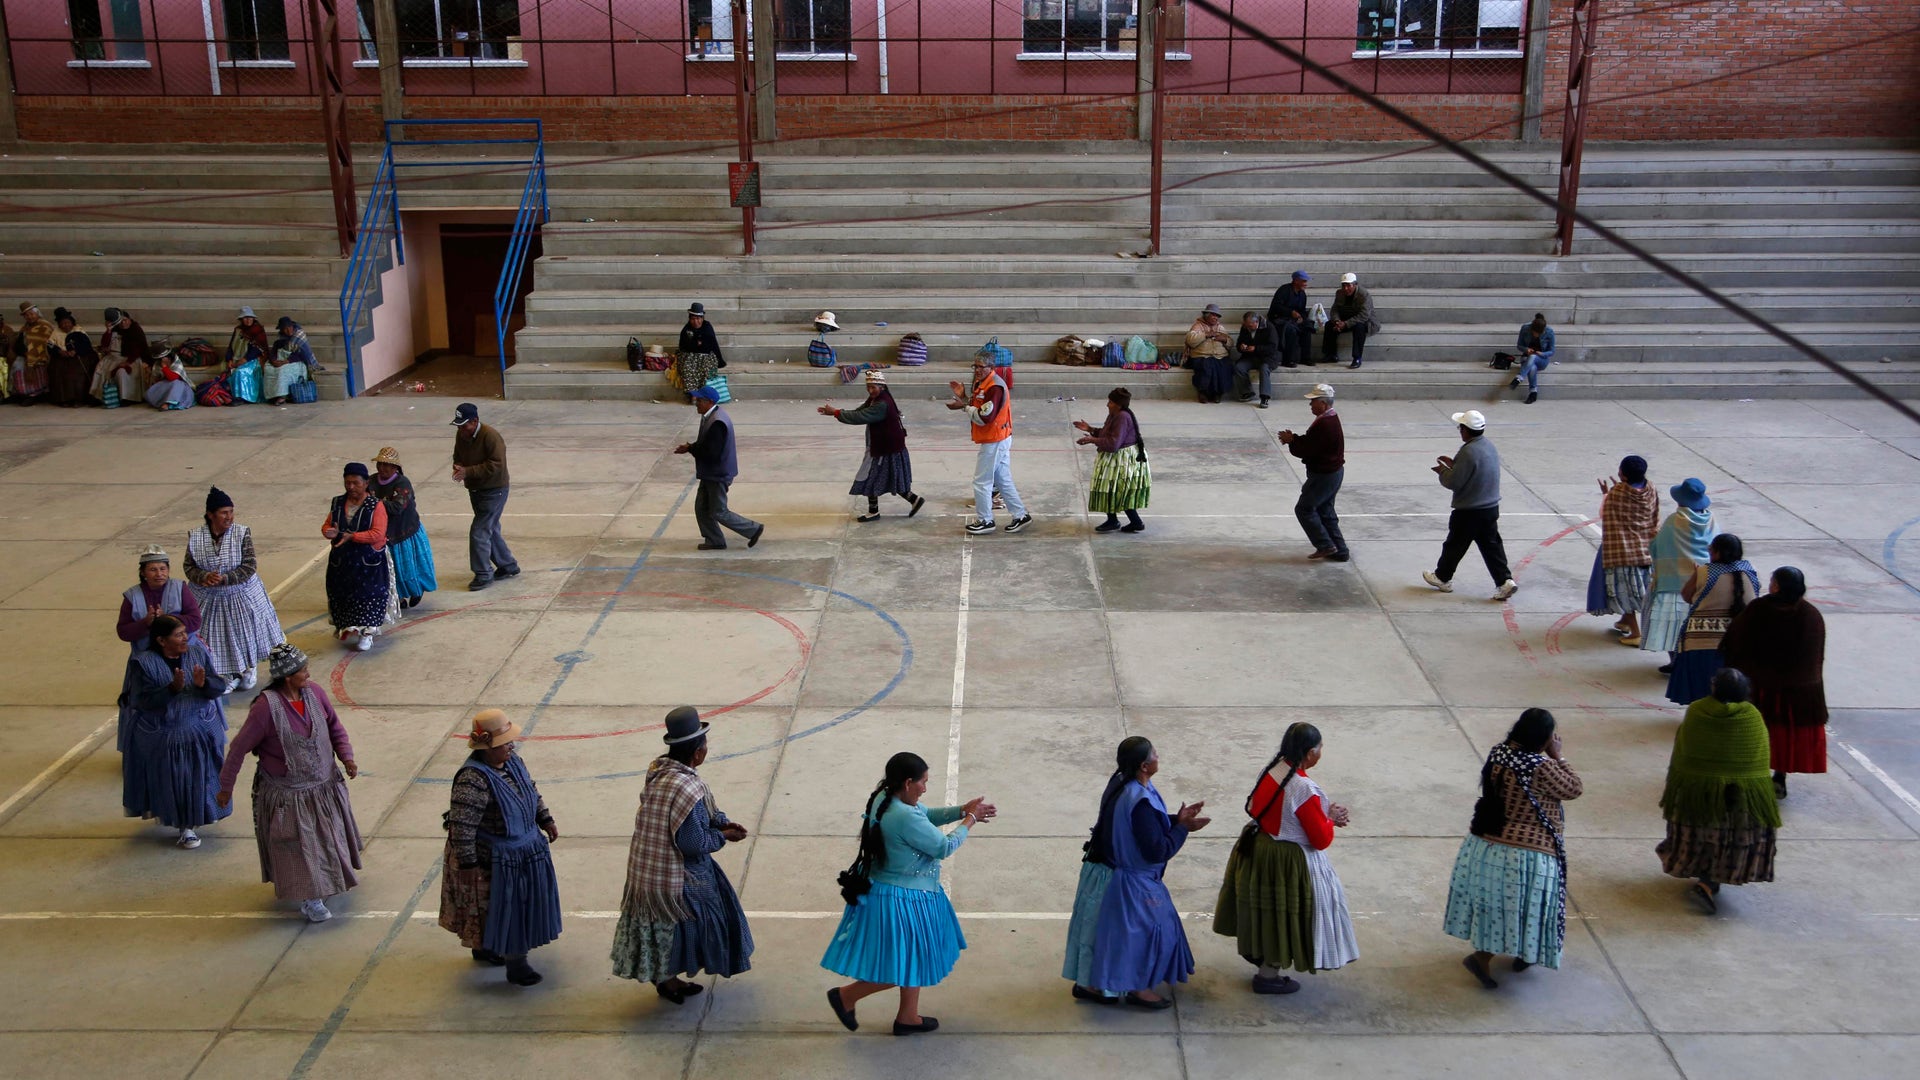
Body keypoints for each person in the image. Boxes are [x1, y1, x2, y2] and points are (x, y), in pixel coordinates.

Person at [823, 752, 996, 1036]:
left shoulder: (885, 797)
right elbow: (943, 847)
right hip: (902, 898)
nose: (925, 788)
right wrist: (970, 820)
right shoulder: (902, 816)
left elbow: (925, 814)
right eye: (923, 782)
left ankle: (908, 1017)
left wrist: (961, 809)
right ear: (907, 782)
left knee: (910, 952)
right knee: (909, 959)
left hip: (888, 890)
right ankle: (846, 996)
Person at [611, 707, 755, 1003]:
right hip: (678, 876)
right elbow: (692, 842)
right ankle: (669, 978)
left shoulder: (660, 771)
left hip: (649, 867)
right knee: (692, 925)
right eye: (704, 744)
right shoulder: (687, 786)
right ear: (698, 753)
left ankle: (667, 978)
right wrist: (723, 835)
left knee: (663, 931)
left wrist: (720, 820)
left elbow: (699, 813)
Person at [216, 643, 363, 923]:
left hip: (323, 786)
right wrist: (225, 787)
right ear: (287, 677)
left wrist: (347, 757)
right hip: (290, 796)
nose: (308, 674)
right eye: (303, 670)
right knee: (301, 847)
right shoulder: (265, 709)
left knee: (327, 839)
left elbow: (335, 728)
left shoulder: (315, 694)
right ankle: (311, 899)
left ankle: (327, 880)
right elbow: (238, 748)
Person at [1063, 737, 1209, 1009]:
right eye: (1154, 754)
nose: (1158, 756)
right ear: (1144, 765)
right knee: (1150, 932)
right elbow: (1156, 850)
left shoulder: (1121, 782)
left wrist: (1174, 820)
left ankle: (1091, 984)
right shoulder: (1139, 799)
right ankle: (1139, 989)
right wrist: (1182, 829)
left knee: (1099, 934)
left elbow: (1142, 825)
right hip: (1128, 881)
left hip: (1103, 871)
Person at [1214, 722, 1358, 994]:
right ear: (1309, 753)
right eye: (1319, 748)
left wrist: (1323, 811)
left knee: (1265, 913)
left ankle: (1263, 964)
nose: (1321, 752)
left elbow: (1268, 808)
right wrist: (1329, 819)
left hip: (1259, 846)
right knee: (1284, 916)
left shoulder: (1273, 769)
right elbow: (1320, 839)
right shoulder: (1304, 788)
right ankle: (1268, 977)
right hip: (1286, 860)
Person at [1444, 709, 1581, 989]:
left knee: (1498, 908)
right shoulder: (1542, 767)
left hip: (1487, 842)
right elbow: (1574, 788)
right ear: (1543, 738)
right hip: (1527, 851)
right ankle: (1519, 953)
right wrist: (1558, 755)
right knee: (1531, 907)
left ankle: (1492, 955)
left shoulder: (1499, 753)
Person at [440, 709, 563, 986]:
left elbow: (530, 792)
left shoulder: (513, 762)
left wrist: (545, 818)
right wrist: (469, 864)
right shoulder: (472, 780)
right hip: (494, 860)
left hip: (523, 850)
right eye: (506, 742)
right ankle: (517, 965)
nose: (512, 745)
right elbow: (462, 827)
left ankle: (485, 948)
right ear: (489, 747)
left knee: (494, 911)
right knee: (510, 910)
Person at [1657, 667, 1780, 913]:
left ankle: (1706, 880)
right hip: (1741, 797)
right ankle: (1710, 882)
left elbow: (1683, 749)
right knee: (1727, 838)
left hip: (1698, 794)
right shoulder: (1752, 717)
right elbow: (1760, 760)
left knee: (1702, 835)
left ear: (1714, 687)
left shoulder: (1697, 711)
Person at [120, 614, 231, 849]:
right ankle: (185, 826)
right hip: (165, 734)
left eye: (184, 632)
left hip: (199, 730)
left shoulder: (197, 653)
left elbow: (219, 685)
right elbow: (141, 701)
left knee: (202, 778)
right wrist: (171, 689)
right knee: (176, 781)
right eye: (178, 634)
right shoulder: (143, 663)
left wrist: (204, 685)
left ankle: (195, 817)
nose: (185, 638)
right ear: (161, 640)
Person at [1721, 567, 1827, 800]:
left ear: (1776, 586)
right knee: (1785, 735)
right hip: (1799, 691)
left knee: (1755, 733)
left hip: (1761, 688)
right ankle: (1780, 777)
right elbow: (1815, 656)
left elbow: (1734, 641)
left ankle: (1748, 776)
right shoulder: (1811, 615)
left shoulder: (1759, 610)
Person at [185, 486, 284, 691]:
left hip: (241, 594)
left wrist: (224, 579)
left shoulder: (241, 533)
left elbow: (249, 565)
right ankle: (229, 673)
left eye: (231, 512)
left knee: (245, 633)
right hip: (208, 597)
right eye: (224, 512)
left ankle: (248, 668)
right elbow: (189, 566)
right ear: (210, 515)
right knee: (215, 638)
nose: (229, 517)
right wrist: (204, 577)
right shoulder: (195, 537)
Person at [117, 544, 205, 752]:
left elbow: (195, 620)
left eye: (163, 569)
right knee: (145, 704)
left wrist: (169, 620)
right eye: (153, 569)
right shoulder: (132, 597)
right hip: (146, 661)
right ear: (143, 572)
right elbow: (123, 631)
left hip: (182, 657)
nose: (159, 574)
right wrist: (145, 623)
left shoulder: (180, 588)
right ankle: (142, 748)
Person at [1423, 410, 1518, 600]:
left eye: (1461, 427)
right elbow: (1474, 469)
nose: (1460, 431)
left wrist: (1443, 471)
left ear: (1466, 430)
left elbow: (1454, 482)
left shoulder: (1468, 451)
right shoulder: (1487, 446)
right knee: (1491, 546)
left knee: (1454, 544)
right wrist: (1455, 464)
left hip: (1470, 510)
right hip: (1490, 508)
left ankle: (1442, 577)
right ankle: (1505, 581)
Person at [818, 369, 926, 522]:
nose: (870, 390)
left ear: (881, 386)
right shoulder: (876, 399)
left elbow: (860, 416)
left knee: (870, 477)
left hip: (885, 448)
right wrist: (836, 413)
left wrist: (836, 412)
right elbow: (859, 412)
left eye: (873, 387)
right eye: (868, 387)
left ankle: (876, 510)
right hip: (885, 446)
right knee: (889, 477)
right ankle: (912, 500)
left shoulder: (882, 404)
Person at [1666, 534, 1759, 706]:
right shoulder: (1750, 569)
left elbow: (1687, 596)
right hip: (1739, 638)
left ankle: (1703, 712)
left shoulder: (1705, 571)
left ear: (1716, 553)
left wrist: (1696, 575)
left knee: (1703, 684)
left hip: (1702, 640)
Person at [948, 354, 1033, 535]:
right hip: (997, 437)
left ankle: (985, 520)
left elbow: (984, 417)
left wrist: (963, 406)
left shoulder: (995, 387)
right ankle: (1021, 515)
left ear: (990, 367)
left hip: (995, 439)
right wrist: (964, 398)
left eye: (981, 367)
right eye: (975, 366)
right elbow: (979, 406)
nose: (977, 370)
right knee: (1003, 480)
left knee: (981, 482)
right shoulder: (983, 383)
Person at [675, 384, 766, 551]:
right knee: (702, 508)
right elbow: (707, 445)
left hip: (717, 474)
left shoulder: (717, 422)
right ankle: (714, 540)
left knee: (718, 511)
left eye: (699, 400)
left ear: (709, 402)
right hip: (711, 473)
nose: (696, 402)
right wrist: (691, 447)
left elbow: (711, 452)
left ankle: (753, 529)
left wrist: (691, 449)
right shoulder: (712, 417)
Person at [1642, 477, 1717, 671]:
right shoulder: (1711, 521)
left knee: (1673, 627)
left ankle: (1676, 662)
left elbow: (1657, 547)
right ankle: (1688, 662)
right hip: (1702, 581)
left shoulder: (1675, 521)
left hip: (1674, 582)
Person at [323, 462, 398, 653]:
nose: (351, 487)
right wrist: (329, 532)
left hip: (368, 562)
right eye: (347, 483)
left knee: (368, 596)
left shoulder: (376, 506)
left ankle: (367, 634)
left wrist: (353, 536)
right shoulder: (338, 503)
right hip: (343, 562)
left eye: (355, 483)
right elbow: (327, 525)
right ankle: (349, 627)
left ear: (366, 483)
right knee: (343, 595)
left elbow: (378, 534)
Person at [1585, 455, 1660, 645]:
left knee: (1626, 591)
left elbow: (1605, 514)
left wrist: (1606, 494)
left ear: (1623, 475)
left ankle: (1636, 633)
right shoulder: (1651, 489)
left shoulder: (1618, 493)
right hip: (1645, 549)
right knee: (1640, 590)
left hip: (1623, 551)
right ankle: (1626, 621)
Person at [451, 402, 521, 591]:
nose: (461, 429)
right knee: (490, 528)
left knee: (479, 531)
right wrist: (458, 466)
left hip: (494, 490)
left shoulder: (491, 436)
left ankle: (483, 573)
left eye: (464, 425)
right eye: (459, 425)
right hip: (476, 490)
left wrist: (468, 471)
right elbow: (458, 454)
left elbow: (496, 465)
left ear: (475, 421)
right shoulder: (462, 434)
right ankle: (508, 565)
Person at [1279, 383, 1348, 561]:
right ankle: (1340, 551)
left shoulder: (1325, 424)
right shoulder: (1329, 418)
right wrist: (1295, 438)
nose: (1310, 405)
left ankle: (1325, 545)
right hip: (1333, 473)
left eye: (1313, 402)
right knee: (1325, 511)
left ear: (1323, 404)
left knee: (1304, 509)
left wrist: (1291, 441)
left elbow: (1308, 449)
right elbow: (1313, 443)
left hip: (1324, 476)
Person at [1075, 387, 1151, 533]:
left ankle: (1130, 521)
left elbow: (1113, 444)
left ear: (1118, 404)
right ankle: (1118, 520)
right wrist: (1091, 429)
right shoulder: (1114, 414)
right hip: (1118, 459)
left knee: (1118, 489)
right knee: (1112, 488)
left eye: (1110, 402)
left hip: (1123, 460)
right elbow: (1107, 434)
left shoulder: (1122, 417)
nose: (1107, 404)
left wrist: (1092, 440)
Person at [372, 447, 437, 610]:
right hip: (385, 533)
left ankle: (416, 590)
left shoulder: (402, 483)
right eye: (380, 464)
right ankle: (398, 597)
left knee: (410, 566)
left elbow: (397, 507)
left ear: (395, 468)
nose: (382, 468)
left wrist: (375, 502)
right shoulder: (371, 481)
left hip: (405, 531)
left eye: (387, 465)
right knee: (391, 568)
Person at [93, 307, 153, 405]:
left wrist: (127, 363)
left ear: (129, 320)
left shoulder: (135, 329)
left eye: (125, 320)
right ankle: (101, 396)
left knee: (121, 373)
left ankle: (125, 397)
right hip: (113, 358)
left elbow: (137, 349)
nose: (123, 323)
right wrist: (108, 331)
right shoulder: (114, 329)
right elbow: (104, 344)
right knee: (100, 368)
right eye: (121, 321)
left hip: (131, 359)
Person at [1321, 272, 1379, 369]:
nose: (1346, 289)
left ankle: (1357, 358)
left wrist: (1346, 324)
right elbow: (1334, 310)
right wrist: (1337, 321)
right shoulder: (1339, 293)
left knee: (1359, 328)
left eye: (1348, 286)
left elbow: (1364, 315)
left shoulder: (1364, 295)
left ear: (1355, 285)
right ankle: (1330, 354)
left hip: (1362, 321)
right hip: (1345, 319)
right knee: (1329, 325)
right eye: (1344, 286)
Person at [46, 307, 98, 407]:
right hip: (62, 357)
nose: (65, 325)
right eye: (63, 323)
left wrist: (75, 351)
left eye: (67, 322)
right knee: (57, 370)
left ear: (72, 322)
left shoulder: (78, 331)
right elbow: (50, 346)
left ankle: (79, 399)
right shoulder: (56, 333)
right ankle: (63, 399)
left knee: (75, 373)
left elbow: (86, 346)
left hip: (79, 357)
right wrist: (59, 352)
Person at [1185, 303, 1235, 403]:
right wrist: (1206, 334)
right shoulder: (1198, 326)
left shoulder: (1220, 327)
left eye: (1217, 316)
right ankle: (1203, 393)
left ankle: (1217, 393)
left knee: (1223, 366)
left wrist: (1225, 339)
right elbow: (1190, 340)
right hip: (1201, 356)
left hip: (1220, 356)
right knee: (1207, 365)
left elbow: (1230, 343)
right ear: (1206, 315)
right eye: (1213, 315)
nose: (1215, 318)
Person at [675, 302, 724, 399]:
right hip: (689, 356)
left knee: (705, 367)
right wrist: (696, 345)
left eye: (698, 318)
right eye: (693, 319)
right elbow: (684, 347)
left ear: (702, 318)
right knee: (687, 367)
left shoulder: (707, 327)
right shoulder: (686, 329)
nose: (696, 322)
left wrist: (720, 360)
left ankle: (703, 394)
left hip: (706, 356)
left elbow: (713, 344)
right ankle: (693, 394)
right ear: (689, 319)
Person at [1234, 311, 1282, 407]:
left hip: (1268, 357)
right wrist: (1241, 346)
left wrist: (1256, 348)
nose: (1248, 328)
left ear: (1257, 323)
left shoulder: (1269, 327)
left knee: (1264, 368)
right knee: (1239, 367)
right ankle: (1247, 392)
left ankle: (1265, 397)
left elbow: (1272, 347)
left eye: (1250, 326)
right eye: (1246, 326)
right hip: (1250, 356)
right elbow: (1239, 343)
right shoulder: (1245, 328)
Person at [9, 302, 55, 404]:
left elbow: (42, 343)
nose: (29, 317)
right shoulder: (26, 327)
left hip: (40, 356)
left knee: (30, 367)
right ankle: (23, 393)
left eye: (31, 314)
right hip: (24, 355)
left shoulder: (45, 325)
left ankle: (34, 394)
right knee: (17, 365)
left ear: (37, 313)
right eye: (26, 315)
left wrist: (30, 356)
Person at [1266, 270, 1312, 368]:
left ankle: (1305, 357)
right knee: (1291, 330)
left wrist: (1302, 318)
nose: (1305, 284)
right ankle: (1288, 359)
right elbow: (1276, 306)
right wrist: (1290, 312)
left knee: (1307, 328)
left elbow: (1302, 310)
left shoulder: (1302, 294)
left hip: (1294, 320)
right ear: (1296, 281)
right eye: (1303, 281)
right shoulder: (1284, 290)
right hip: (1279, 319)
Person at [265, 317, 315, 404]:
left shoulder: (299, 336)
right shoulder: (280, 340)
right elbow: (273, 352)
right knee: (268, 369)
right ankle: (272, 395)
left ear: (293, 326)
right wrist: (273, 361)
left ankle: (282, 396)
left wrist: (286, 361)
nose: (288, 330)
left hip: (297, 362)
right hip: (281, 360)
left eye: (289, 327)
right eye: (285, 328)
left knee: (282, 371)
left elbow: (302, 354)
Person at [1508, 314, 1555, 405]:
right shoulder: (1525, 328)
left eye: (1539, 334)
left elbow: (1552, 351)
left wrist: (1542, 353)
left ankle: (1519, 378)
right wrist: (1526, 349)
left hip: (1542, 359)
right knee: (1532, 367)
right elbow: (1519, 346)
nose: (1536, 335)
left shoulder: (1549, 332)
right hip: (1526, 358)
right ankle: (1533, 393)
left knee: (1533, 357)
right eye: (1534, 333)